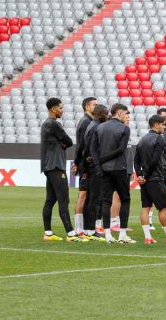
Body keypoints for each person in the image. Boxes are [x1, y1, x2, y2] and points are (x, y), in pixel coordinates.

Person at [41, 97, 77, 242]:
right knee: (64, 199)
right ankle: (71, 234)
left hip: (49, 166)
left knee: (50, 200)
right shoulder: (54, 124)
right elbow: (69, 141)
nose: (62, 111)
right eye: (60, 108)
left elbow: (64, 142)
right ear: (53, 109)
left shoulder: (46, 124)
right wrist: (63, 143)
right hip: (56, 166)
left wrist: (61, 143)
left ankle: (48, 233)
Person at [96, 103, 134, 243]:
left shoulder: (100, 127)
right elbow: (120, 150)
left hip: (104, 169)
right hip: (119, 167)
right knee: (125, 199)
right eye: (125, 113)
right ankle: (122, 234)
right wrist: (103, 159)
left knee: (106, 201)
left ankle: (107, 235)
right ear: (119, 113)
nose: (126, 116)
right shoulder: (124, 128)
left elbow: (95, 148)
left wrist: (100, 161)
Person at [134, 114, 166, 244]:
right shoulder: (159, 139)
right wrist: (145, 176)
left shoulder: (142, 139)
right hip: (155, 178)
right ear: (156, 125)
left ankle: (148, 237)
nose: (164, 127)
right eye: (162, 124)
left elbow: (136, 160)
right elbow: (155, 160)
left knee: (145, 207)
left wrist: (140, 175)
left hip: (144, 180)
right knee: (163, 207)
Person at [72, 96, 96, 238]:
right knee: (83, 195)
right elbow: (82, 146)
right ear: (87, 107)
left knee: (87, 195)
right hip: (85, 164)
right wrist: (78, 163)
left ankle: (85, 228)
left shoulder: (88, 121)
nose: (96, 107)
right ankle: (78, 228)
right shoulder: (86, 122)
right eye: (94, 105)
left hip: (84, 163)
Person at [83, 104, 110, 235]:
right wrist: (93, 160)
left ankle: (88, 229)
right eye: (106, 113)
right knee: (94, 199)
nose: (107, 116)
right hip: (94, 167)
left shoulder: (92, 125)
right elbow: (91, 148)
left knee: (91, 199)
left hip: (91, 165)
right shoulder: (96, 127)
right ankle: (90, 230)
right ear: (100, 113)